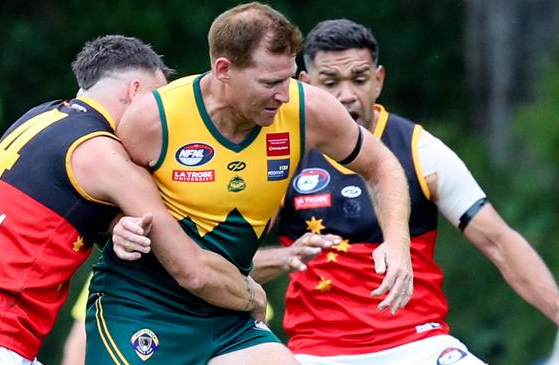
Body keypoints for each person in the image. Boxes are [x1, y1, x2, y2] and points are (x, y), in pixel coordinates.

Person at [87, 3, 414, 365]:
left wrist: (398, 242)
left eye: (288, 78)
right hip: (141, 305)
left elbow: (382, 164)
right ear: (224, 69)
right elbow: (98, 203)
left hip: (226, 308)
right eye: (270, 83)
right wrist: (117, 226)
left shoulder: (308, 110)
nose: (285, 95)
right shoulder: (154, 119)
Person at [0, 34, 268, 365]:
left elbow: (55, 210)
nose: (163, 119)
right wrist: (249, 296)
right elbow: (188, 265)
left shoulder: (41, 117)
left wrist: (116, 227)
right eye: (159, 102)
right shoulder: (103, 154)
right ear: (136, 91)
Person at [249, 18, 559, 365]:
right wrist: (280, 258)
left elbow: (498, 242)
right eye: (331, 82)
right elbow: (226, 264)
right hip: (318, 353)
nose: (347, 95)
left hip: (420, 343)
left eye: (359, 79)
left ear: (378, 80)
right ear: (304, 85)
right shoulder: (283, 155)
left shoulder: (419, 150)